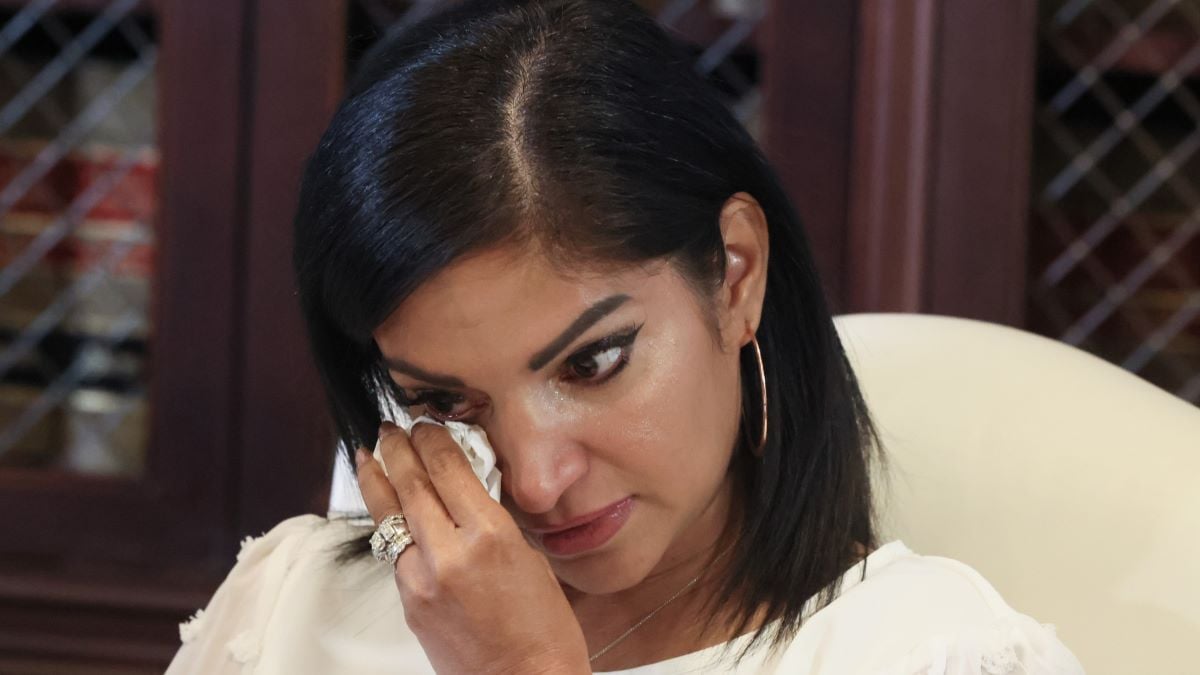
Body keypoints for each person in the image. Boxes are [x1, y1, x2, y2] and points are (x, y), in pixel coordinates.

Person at [165, 1, 1086, 673]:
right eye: (445, 401)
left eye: (593, 363)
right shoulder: (293, 609)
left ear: (734, 274)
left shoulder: (935, 654)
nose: (534, 480)